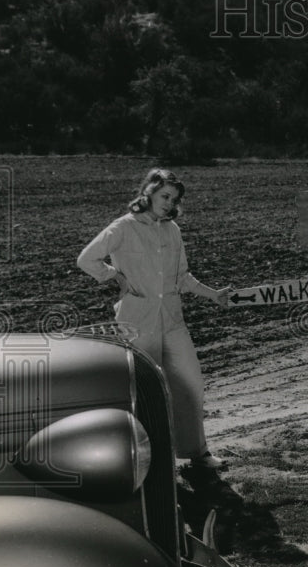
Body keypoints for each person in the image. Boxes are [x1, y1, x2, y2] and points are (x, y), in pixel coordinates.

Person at [77, 167, 230, 468]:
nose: (169, 203)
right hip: (137, 322)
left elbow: (182, 276)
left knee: (189, 382)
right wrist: (115, 275)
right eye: (165, 196)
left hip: (172, 320)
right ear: (148, 193)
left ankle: (197, 453)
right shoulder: (123, 227)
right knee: (147, 393)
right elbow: (86, 259)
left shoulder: (172, 230)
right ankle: (152, 463)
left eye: (174, 199)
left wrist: (213, 294)